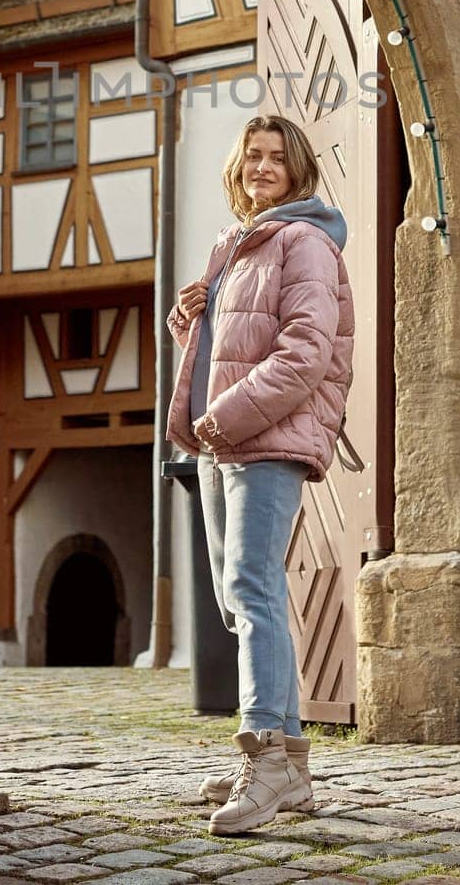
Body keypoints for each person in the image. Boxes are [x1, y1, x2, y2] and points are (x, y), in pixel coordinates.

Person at [166, 114, 355, 836]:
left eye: (277, 157)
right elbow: (237, 346)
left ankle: (266, 762)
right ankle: (290, 765)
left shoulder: (303, 242)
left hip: (262, 439)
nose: (263, 166)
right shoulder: (237, 243)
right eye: (253, 155)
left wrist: (227, 418)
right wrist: (195, 326)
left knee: (254, 590)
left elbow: (304, 353)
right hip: (228, 439)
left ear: (297, 169)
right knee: (241, 595)